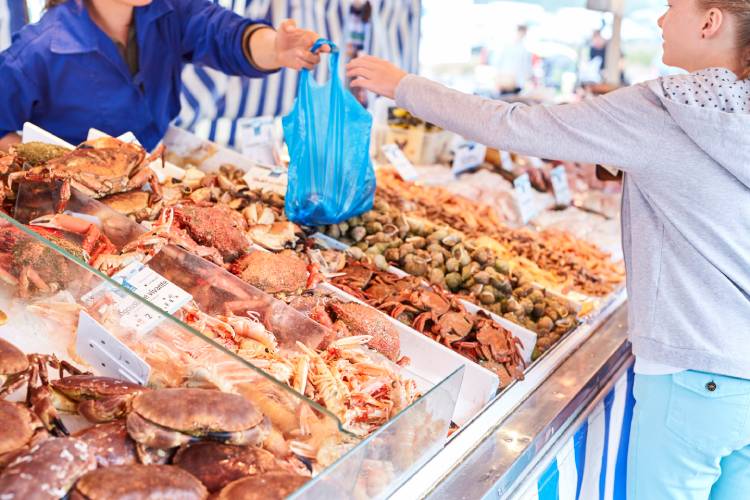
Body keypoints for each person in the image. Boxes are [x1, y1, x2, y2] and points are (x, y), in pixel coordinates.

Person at [347, 0, 750, 498]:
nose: (661, 20)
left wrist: (402, 85)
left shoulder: (665, 108)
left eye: (670, 7)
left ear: (711, 22)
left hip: (690, 373)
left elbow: (514, 125)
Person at [0, 0, 328, 151]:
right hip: (71, 211)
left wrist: (276, 47)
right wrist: (51, 166)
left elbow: (222, 34)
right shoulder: (37, 51)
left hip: (151, 181)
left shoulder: (171, 10)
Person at [492, 24, 533, 94]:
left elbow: (526, 68)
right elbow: (497, 63)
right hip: (508, 82)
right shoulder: (507, 47)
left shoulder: (523, 49)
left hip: (513, 83)